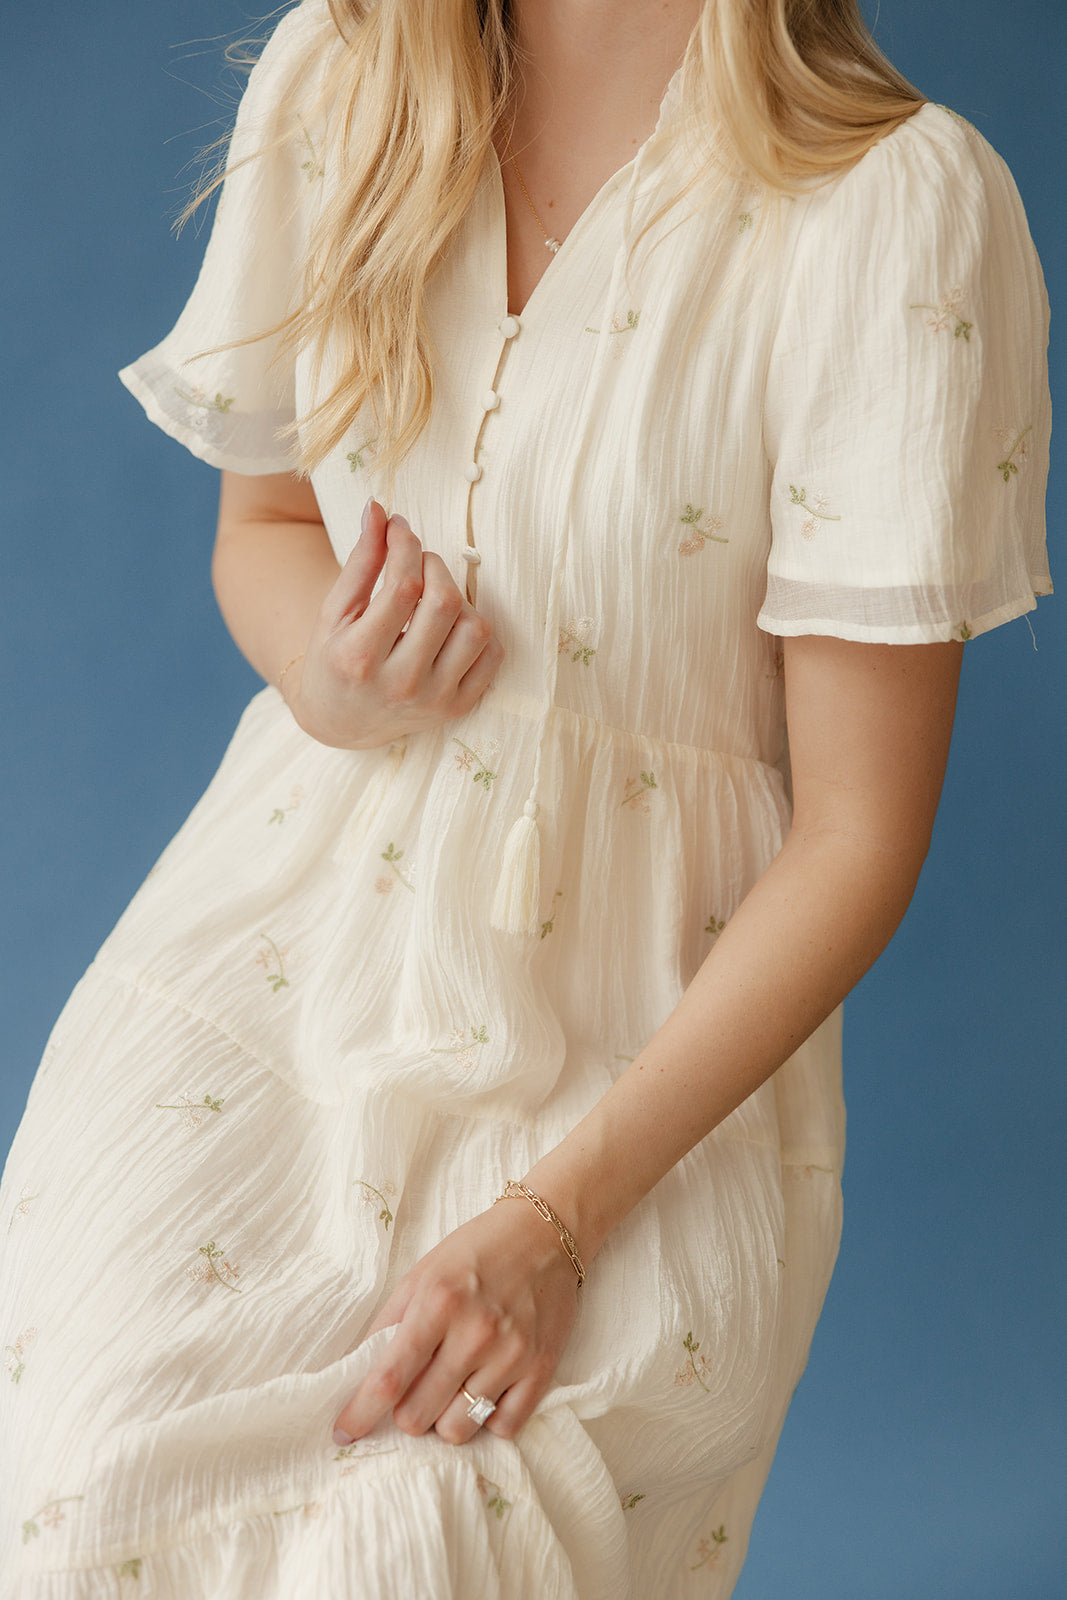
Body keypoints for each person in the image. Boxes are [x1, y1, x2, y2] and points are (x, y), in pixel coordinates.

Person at [0, 0, 1051, 1594]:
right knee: (80, 1483)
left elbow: (858, 835)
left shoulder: (894, 204)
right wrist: (330, 675)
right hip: (274, 980)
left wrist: (552, 1227)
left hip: (634, 1077)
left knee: (403, 1552)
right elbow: (265, 528)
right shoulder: (344, 82)